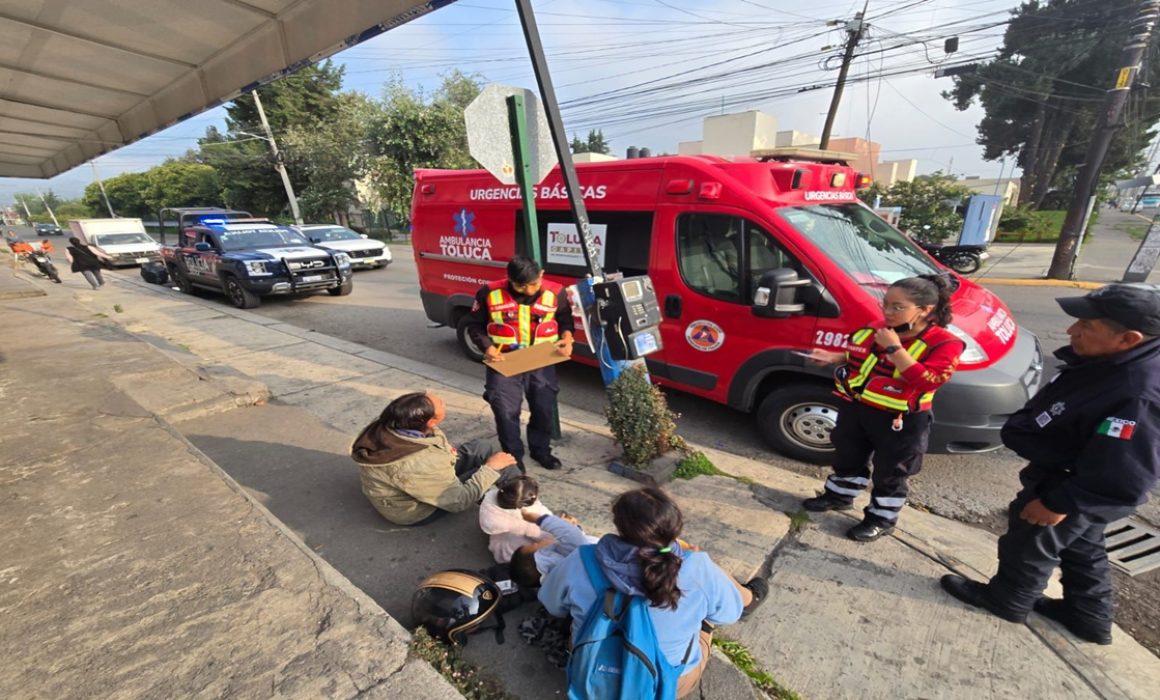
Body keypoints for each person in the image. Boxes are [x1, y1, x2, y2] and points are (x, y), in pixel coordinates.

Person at [940, 284, 1160, 645]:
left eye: (1087, 326)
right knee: (1082, 546)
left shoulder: (1139, 393)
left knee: (1029, 540)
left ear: (1128, 338)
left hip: (1074, 486)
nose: (1073, 331)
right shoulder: (1120, 362)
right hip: (1073, 476)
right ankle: (1088, 616)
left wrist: (1059, 503)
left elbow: (1123, 470)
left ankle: (1007, 600)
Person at [538, 487, 767, 699]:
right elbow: (728, 615)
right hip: (664, 684)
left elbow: (552, 605)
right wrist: (696, 559)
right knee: (708, 612)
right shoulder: (696, 568)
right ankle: (750, 597)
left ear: (619, 525)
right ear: (674, 528)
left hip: (591, 673)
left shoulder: (581, 559)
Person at [801, 275, 965, 541]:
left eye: (898, 307)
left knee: (892, 472)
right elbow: (861, 353)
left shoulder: (945, 343)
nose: (887, 312)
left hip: (901, 420)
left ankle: (881, 519)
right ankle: (839, 495)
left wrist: (895, 348)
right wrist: (833, 357)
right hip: (858, 407)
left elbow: (928, 380)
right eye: (886, 304)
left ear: (926, 310)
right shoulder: (879, 328)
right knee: (847, 456)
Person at [464, 256, 575, 471]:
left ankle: (541, 450)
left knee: (543, 409)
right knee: (506, 412)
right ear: (509, 279)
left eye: (533, 284)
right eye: (521, 285)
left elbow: (564, 319)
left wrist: (568, 338)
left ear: (541, 274)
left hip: (541, 361)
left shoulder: (556, 292)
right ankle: (513, 459)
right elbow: (473, 325)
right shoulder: (489, 292)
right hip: (504, 362)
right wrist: (486, 347)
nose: (529, 290)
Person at [349, 391, 518, 526]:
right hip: (416, 511)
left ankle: (517, 488)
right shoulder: (418, 463)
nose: (444, 402)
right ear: (430, 421)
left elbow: (433, 450)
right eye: (441, 404)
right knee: (501, 467)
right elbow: (458, 501)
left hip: (422, 477)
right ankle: (523, 501)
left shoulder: (391, 424)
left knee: (483, 447)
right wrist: (491, 468)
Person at [479, 475, 553, 563]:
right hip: (511, 551)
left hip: (500, 537)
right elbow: (542, 534)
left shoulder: (491, 498)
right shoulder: (524, 518)